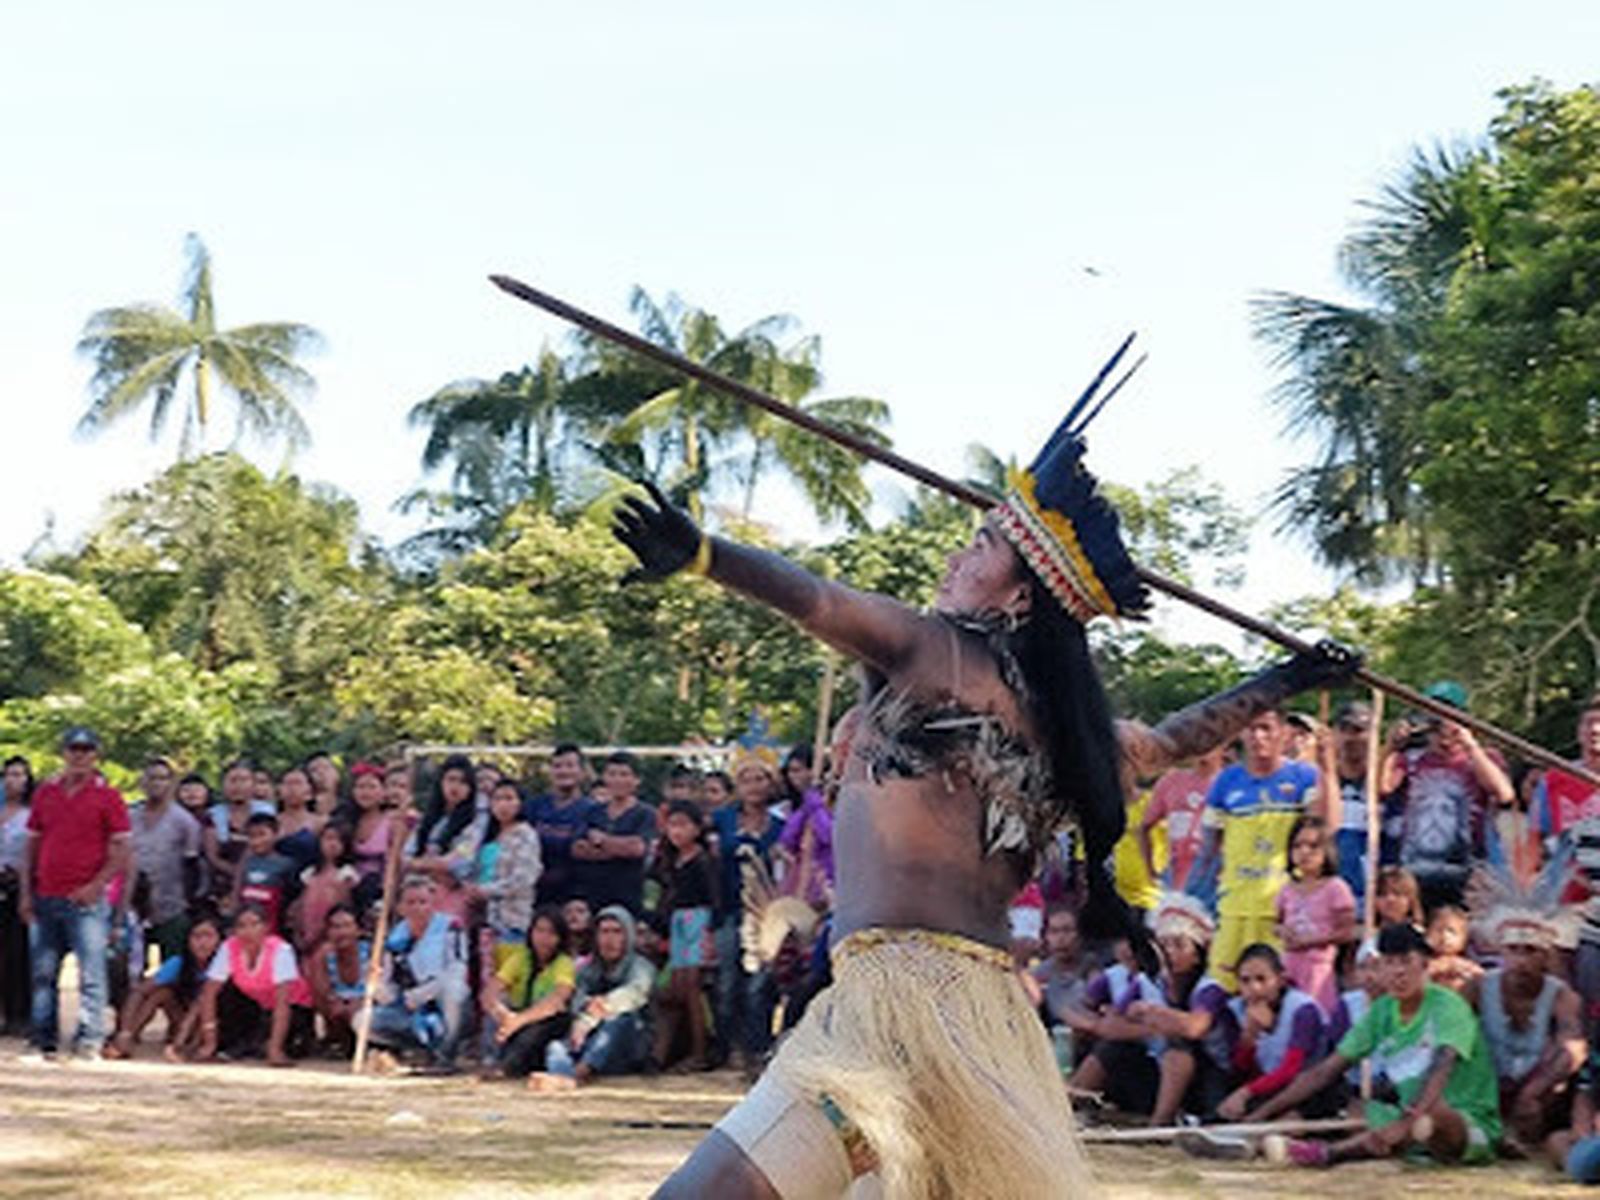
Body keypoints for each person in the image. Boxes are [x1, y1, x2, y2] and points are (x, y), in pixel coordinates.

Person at [616, 416, 1354, 1195]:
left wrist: (706, 555)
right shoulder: (1082, 738)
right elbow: (1177, 736)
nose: (954, 556)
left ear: (1020, 598)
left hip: (888, 1021)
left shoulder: (939, 655)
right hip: (987, 1031)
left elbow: (818, 600)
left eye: (980, 547)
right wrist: (1286, 680)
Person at [1256, 922, 1501, 1168]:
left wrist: (1405, 1122)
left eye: (1405, 961)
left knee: (1432, 1117)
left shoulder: (1449, 1006)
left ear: (1425, 964)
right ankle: (1386, 1142)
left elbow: (1442, 1066)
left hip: (1463, 1119)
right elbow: (1326, 1070)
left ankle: (1329, 1153)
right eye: (1388, 963)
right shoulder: (1381, 1011)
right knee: (1356, 1110)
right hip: (1409, 1114)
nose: (1397, 972)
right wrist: (1262, 1114)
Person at [1068, 892, 1235, 1125]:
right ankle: (1068, 1106)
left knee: (1178, 1051)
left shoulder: (1209, 989)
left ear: (1198, 953)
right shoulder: (1147, 982)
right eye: (1164, 945)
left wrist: (1154, 1015)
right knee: (1112, 1049)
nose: (1169, 953)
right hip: (1159, 1072)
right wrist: (1150, 1029)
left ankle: (1160, 1124)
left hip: (1208, 1080)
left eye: (1179, 945)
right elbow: (1110, 1026)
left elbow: (1194, 1027)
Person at [20, 726, 131, 1059]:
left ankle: (89, 1040)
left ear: (96, 755)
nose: (79, 755)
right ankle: (43, 1039)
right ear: (64, 753)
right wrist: (27, 892)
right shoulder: (46, 793)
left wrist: (96, 886)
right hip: (46, 894)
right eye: (73, 749)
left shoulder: (108, 796)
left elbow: (122, 849)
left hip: (86, 900)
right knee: (42, 973)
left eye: (86, 749)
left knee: (92, 973)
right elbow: (32, 845)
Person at [1200, 708, 1330, 991]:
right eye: (1250, 729)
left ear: (1282, 733)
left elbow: (1324, 828)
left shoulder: (1304, 776)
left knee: (1281, 989)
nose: (1258, 736)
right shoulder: (1225, 782)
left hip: (1284, 911)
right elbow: (1209, 847)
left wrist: (1328, 766)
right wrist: (1194, 893)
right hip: (1236, 907)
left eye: (1266, 728)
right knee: (1222, 989)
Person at [1463, 856, 1586, 1151]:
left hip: (1538, 1093)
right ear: (1501, 951)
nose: (1520, 960)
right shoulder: (1478, 987)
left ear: (1545, 956)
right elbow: (1450, 1039)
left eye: (1530, 951)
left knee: (1564, 1058)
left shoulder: (1561, 996)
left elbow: (1575, 1048)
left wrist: (1534, 1090)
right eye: (1513, 950)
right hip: (1487, 1087)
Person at [1384, 682, 1515, 913]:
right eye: (1433, 718)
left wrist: (1470, 745)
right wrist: (1391, 747)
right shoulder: (1412, 758)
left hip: (1467, 868)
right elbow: (1382, 787)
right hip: (1415, 868)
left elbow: (1504, 794)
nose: (1442, 727)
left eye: (1448, 716)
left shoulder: (1483, 757)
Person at [710, 746, 785, 1075]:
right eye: (746, 780)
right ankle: (730, 1048)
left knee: (759, 984)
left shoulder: (781, 825)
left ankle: (758, 1049)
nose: (753, 786)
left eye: (760, 779)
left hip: (765, 916)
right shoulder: (721, 820)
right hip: (728, 909)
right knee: (727, 983)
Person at [1534, 693, 1600, 1041]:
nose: (1595, 730)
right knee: (1567, 990)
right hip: (1565, 898)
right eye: (1588, 723)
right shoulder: (1554, 780)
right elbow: (1536, 838)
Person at [534, 904, 654, 1090]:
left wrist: (600, 1008)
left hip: (627, 1045)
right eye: (604, 932)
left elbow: (635, 993)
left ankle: (581, 1072)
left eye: (617, 932)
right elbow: (576, 1000)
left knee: (619, 1020)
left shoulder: (641, 967)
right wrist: (586, 1012)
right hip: (589, 1036)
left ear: (628, 936)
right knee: (556, 1047)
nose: (610, 939)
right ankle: (564, 1077)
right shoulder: (588, 970)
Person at [1216, 943, 1339, 1122]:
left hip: (1309, 1088)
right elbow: (1241, 1070)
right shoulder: (1237, 1010)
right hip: (1268, 1086)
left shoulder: (1302, 1010)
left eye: (1262, 979)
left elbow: (1290, 1069)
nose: (1255, 988)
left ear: (1280, 980)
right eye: (1245, 980)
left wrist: (1245, 1093)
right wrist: (1249, 1037)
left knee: (1289, 1115)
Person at [363, 877, 470, 1072]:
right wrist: (377, 985)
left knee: (454, 989)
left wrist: (424, 993)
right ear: (401, 907)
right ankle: (410, 1049)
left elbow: (457, 968)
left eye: (423, 902)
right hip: (408, 1005)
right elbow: (388, 980)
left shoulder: (450, 927)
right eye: (410, 903)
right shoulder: (395, 937)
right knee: (362, 1020)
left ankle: (446, 1054)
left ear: (432, 904)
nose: (417, 908)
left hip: (440, 998)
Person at [194, 904, 314, 1065]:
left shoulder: (281, 950)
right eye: (241, 926)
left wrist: (275, 1048)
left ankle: (272, 1045)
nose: (248, 931)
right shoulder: (230, 947)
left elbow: (282, 1002)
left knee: (267, 1044)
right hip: (257, 1005)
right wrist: (210, 1040)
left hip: (292, 1009)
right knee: (226, 995)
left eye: (254, 924)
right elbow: (209, 993)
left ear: (266, 927)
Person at [651, 799, 719, 1072]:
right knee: (678, 986)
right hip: (678, 922)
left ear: (697, 828)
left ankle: (701, 1051)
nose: (676, 831)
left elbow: (714, 897)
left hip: (698, 921)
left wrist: (709, 932)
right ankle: (683, 1049)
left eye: (683, 824)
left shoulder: (703, 859)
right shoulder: (671, 860)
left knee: (692, 986)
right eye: (672, 825)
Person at [105, 913, 222, 1060]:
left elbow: (201, 1002)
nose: (202, 943)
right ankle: (128, 1039)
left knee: (204, 999)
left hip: (210, 1022)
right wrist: (125, 1031)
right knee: (161, 993)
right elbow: (140, 991)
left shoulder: (222, 964)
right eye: (196, 937)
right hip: (182, 1016)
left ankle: (187, 1046)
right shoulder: (178, 963)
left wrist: (179, 1041)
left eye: (208, 936)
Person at [1319, 701, 1399, 910]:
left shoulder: (1387, 774)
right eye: (1343, 730)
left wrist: (1389, 748)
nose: (1350, 738)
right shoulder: (1322, 777)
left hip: (1376, 891)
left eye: (1359, 731)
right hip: (1331, 889)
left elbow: (1381, 788)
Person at [481, 905, 576, 1079]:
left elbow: (557, 1001)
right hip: (518, 1017)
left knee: (538, 1029)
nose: (544, 938)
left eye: (551, 933)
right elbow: (490, 991)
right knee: (492, 1018)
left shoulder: (564, 963)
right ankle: (490, 1059)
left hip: (548, 1022)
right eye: (539, 931)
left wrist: (518, 1021)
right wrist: (501, 1013)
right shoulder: (521, 957)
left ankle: (506, 1068)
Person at [1276, 815, 1356, 1014]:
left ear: (1326, 851)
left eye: (1313, 846)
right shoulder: (1287, 889)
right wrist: (1283, 931)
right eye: (1298, 846)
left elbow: (1347, 931)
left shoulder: (1335, 887)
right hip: (1289, 965)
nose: (1305, 852)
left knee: (1314, 1015)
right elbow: (1276, 922)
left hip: (1318, 969)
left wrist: (1312, 941)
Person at [127, 756, 202, 964]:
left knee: (172, 968)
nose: (157, 783)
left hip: (171, 907)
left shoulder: (184, 822)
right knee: (128, 972)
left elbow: (192, 865)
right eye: (152, 778)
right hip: (131, 908)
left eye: (163, 778)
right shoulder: (128, 816)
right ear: (142, 782)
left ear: (172, 784)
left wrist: (188, 903)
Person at [571, 752, 656, 915]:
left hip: (630, 896)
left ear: (637, 780)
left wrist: (601, 841)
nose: (618, 780)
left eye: (624, 774)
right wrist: (619, 848)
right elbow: (578, 849)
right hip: (593, 896)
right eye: (612, 774)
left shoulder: (646, 813)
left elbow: (637, 848)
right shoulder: (592, 811)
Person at [467, 779, 543, 960]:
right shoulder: (485, 836)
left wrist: (485, 891)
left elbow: (523, 879)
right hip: (481, 917)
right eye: (497, 799)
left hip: (510, 919)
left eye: (509, 798)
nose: (503, 804)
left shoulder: (526, 835)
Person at [1139, 747, 1225, 892]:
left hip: (1215, 882)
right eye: (1198, 743)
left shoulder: (1231, 784)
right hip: (1174, 880)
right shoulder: (1172, 781)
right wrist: (1150, 871)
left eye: (1210, 743)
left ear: (1223, 748)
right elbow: (1144, 827)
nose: (1202, 749)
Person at [410, 755, 483, 921]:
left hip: (454, 894)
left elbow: (459, 861)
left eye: (463, 782)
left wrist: (423, 864)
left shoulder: (475, 824)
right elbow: (406, 856)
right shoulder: (428, 821)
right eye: (451, 779)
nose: (455, 786)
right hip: (419, 890)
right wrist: (428, 865)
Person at [523, 744, 595, 906]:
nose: (563, 771)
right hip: (536, 893)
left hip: (575, 895)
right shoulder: (533, 807)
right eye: (557, 766)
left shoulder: (593, 811)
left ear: (582, 772)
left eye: (570, 765)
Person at [202, 759, 275, 909]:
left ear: (253, 785)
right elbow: (212, 856)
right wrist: (237, 874)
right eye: (232, 780)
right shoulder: (213, 815)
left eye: (244, 780)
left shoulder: (267, 812)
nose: (238, 786)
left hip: (260, 882)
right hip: (221, 884)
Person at [305, 904, 369, 1057]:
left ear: (358, 930)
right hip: (337, 1013)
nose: (341, 932)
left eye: (347, 926)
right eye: (335, 927)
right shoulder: (323, 956)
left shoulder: (373, 953)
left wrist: (360, 1003)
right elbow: (321, 993)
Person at [0, 755, 35, 1035]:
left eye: (20, 775)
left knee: (18, 953)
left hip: (21, 887)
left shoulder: (32, 814)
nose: (14, 780)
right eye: (9, 774)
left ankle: (19, 1014)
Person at [1029, 905, 1095, 1030]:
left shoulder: (1092, 966)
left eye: (1067, 930)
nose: (1061, 938)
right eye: (1054, 931)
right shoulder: (1040, 973)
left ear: (1080, 935)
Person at [232, 813, 298, 935]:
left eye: (262, 834)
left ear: (276, 835)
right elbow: (238, 892)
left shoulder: (286, 864)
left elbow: (293, 895)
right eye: (252, 836)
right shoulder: (246, 863)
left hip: (274, 926)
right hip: (246, 926)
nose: (257, 841)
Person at [273, 765, 324, 870]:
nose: (292, 789)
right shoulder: (271, 822)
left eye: (298, 783)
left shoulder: (320, 823)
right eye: (287, 784)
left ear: (310, 792)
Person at [1425, 905, 1483, 995]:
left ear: (1464, 938)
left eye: (1452, 931)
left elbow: (1481, 976)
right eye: (1438, 930)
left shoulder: (1467, 965)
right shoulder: (1422, 962)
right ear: (1427, 933)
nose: (1445, 936)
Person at [1374, 865, 1425, 932]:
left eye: (1397, 894)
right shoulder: (1363, 935)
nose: (1390, 899)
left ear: (1410, 900)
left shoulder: (1420, 935)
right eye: (1383, 894)